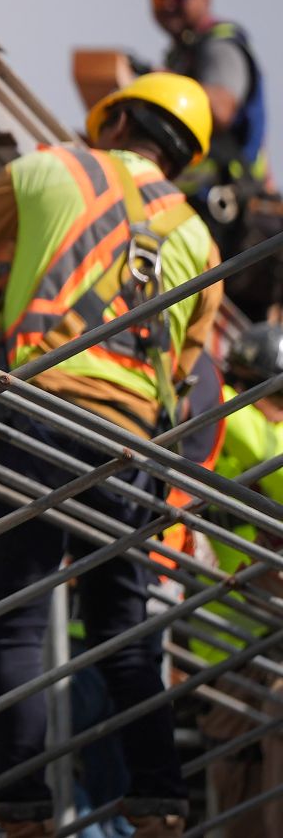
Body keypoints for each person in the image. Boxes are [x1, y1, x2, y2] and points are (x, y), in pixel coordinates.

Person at [0, 73, 225, 837]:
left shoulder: (52, 168)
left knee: (20, 625)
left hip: (35, 420)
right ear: (183, 157)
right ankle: (160, 802)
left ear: (116, 120)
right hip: (126, 444)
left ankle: (23, 810)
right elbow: (188, 373)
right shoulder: (198, 237)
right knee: (124, 631)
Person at [164, 325, 283, 838]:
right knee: (238, 790)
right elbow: (267, 448)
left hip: (260, 640)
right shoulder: (230, 424)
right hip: (230, 648)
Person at [142, 0, 276, 311]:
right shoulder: (183, 54)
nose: (168, 7)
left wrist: (161, 88)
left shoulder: (219, 46)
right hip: (196, 217)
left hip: (228, 222)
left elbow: (221, 108)